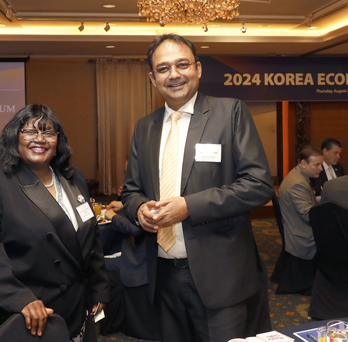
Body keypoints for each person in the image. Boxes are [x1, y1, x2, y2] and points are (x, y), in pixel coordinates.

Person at [121, 34, 274, 341]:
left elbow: (258, 185)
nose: (174, 74)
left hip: (220, 275)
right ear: (153, 78)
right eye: (163, 69)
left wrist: (189, 206)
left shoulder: (230, 112)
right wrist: (138, 208)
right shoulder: (144, 127)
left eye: (182, 65)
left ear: (199, 69)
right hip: (161, 276)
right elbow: (130, 191)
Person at [0, 104, 109, 342]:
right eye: (30, 131)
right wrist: (19, 298)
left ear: (57, 140)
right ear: (14, 137)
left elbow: (91, 237)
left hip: (70, 304)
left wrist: (99, 285)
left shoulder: (73, 177)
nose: (40, 139)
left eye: (48, 133)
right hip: (16, 309)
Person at [99, 200, 159, 340]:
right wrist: (124, 206)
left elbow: (136, 228)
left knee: (99, 266)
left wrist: (113, 216)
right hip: (140, 251)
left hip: (143, 258)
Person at [274, 146, 323, 295]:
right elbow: (308, 216)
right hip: (300, 231)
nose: (320, 168)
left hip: (293, 223)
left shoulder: (297, 175)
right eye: (316, 165)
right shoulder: (298, 183)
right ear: (303, 164)